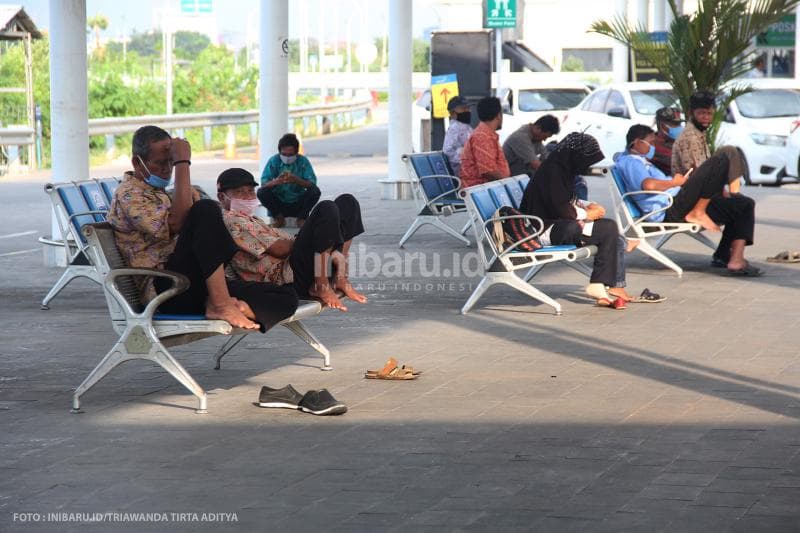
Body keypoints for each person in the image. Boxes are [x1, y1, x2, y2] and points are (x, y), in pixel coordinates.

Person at [107, 126, 299, 332]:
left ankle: (232, 307)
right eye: (161, 163)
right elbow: (178, 223)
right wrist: (183, 163)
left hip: (198, 286)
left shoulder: (166, 193)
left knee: (285, 296)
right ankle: (222, 304)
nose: (167, 169)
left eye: (171, 163)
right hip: (167, 289)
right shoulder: (129, 194)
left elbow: (215, 222)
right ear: (137, 162)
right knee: (204, 209)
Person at [615, 124, 760, 276]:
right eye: (650, 143)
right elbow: (648, 185)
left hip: (680, 202)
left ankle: (731, 258)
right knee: (720, 160)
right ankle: (698, 211)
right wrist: (674, 183)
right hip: (671, 208)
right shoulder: (631, 162)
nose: (653, 147)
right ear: (636, 142)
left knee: (744, 204)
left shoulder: (640, 161)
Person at [218, 168, 367, 311]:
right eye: (239, 192)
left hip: (307, 266)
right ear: (222, 197)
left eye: (250, 191)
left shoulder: (250, 218)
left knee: (347, 202)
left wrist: (322, 239)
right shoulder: (232, 220)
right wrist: (316, 235)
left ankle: (340, 277)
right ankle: (321, 285)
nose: (247, 197)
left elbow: (289, 242)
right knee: (326, 209)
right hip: (288, 278)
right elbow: (281, 249)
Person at [519, 132, 627, 308]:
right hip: (542, 230)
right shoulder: (553, 172)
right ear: (576, 156)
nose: (586, 167)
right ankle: (599, 283)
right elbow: (561, 208)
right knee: (606, 230)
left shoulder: (560, 169)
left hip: (556, 224)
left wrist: (589, 204)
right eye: (586, 161)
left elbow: (566, 200)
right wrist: (587, 214)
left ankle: (599, 284)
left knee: (608, 227)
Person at [257, 133, 321, 228]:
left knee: (315, 191)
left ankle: (302, 218)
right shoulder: (274, 161)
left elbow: (312, 183)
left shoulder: (303, 161)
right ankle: (279, 218)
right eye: (284, 154)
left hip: (298, 202)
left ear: (296, 153)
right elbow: (263, 184)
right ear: (279, 152)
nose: (287, 157)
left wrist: (297, 180)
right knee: (261, 192)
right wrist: (276, 182)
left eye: (290, 155)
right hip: (279, 203)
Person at [459, 96, 510, 188]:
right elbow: (488, 172)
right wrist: (508, 183)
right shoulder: (482, 136)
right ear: (498, 115)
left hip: (489, 186)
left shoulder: (486, 134)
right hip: (479, 189)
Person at [442, 95, 473, 176]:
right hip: (461, 173)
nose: (467, 111)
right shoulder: (454, 128)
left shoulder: (467, 127)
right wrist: (464, 160)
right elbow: (447, 150)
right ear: (452, 113)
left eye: (468, 108)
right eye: (463, 109)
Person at [652, 106, 683, 175]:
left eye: (679, 124)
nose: (680, 128)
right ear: (663, 126)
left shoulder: (675, 141)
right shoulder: (654, 146)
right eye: (675, 124)